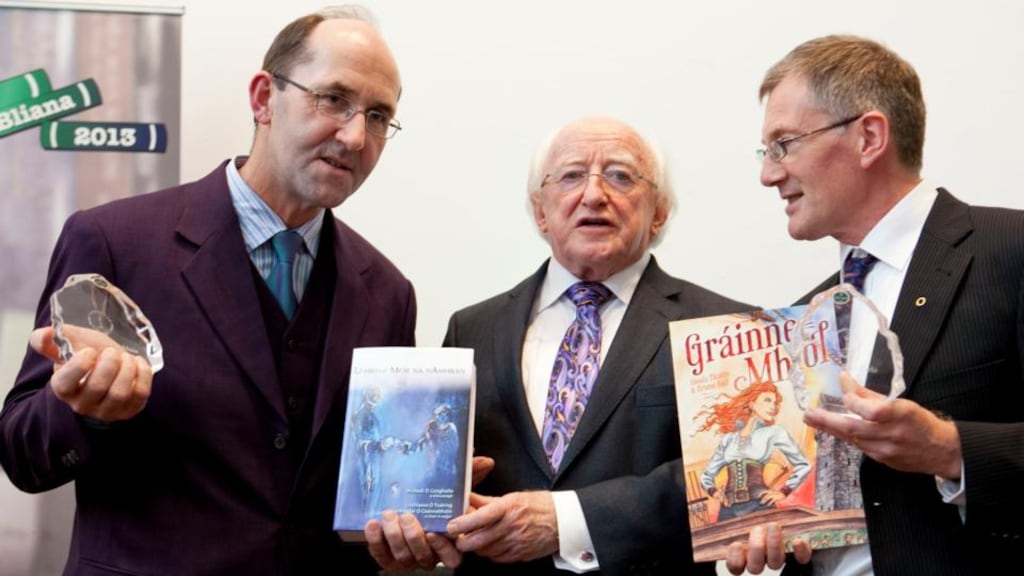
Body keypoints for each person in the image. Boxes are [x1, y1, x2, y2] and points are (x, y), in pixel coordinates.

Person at [0, 5, 415, 575]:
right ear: (264, 99)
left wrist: (422, 506)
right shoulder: (115, 241)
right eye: (334, 99)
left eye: (377, 116)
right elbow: (24, 455)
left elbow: (375, 486)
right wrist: (83, 411)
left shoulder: (389, 292)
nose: (354, 135)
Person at [365, 115, 754, 575]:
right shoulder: (472, 327)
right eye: (570, 176)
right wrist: (420, 524)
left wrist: (568, 521)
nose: (593, 194)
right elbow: (443, 477)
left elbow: (733, 481)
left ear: (660, 212)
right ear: (541, 210)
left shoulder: (725, 328)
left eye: (621, 176)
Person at [729, 34, 1024, 576]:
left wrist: (950, 448)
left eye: (783, 144)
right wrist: (774, 534)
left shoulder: (1011, 248)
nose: (768, 174)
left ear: (869, 137)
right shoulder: (800, 320)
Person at [696, 380, 810, 521]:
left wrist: (784, 491)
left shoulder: (775, 432)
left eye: (775, 403)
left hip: (761, 505)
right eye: (767, 400)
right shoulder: (728, 439)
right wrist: (714, 492)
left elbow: (803, 464)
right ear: (752, 404)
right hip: (728, 510)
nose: (773, 406)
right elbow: (706, 476)